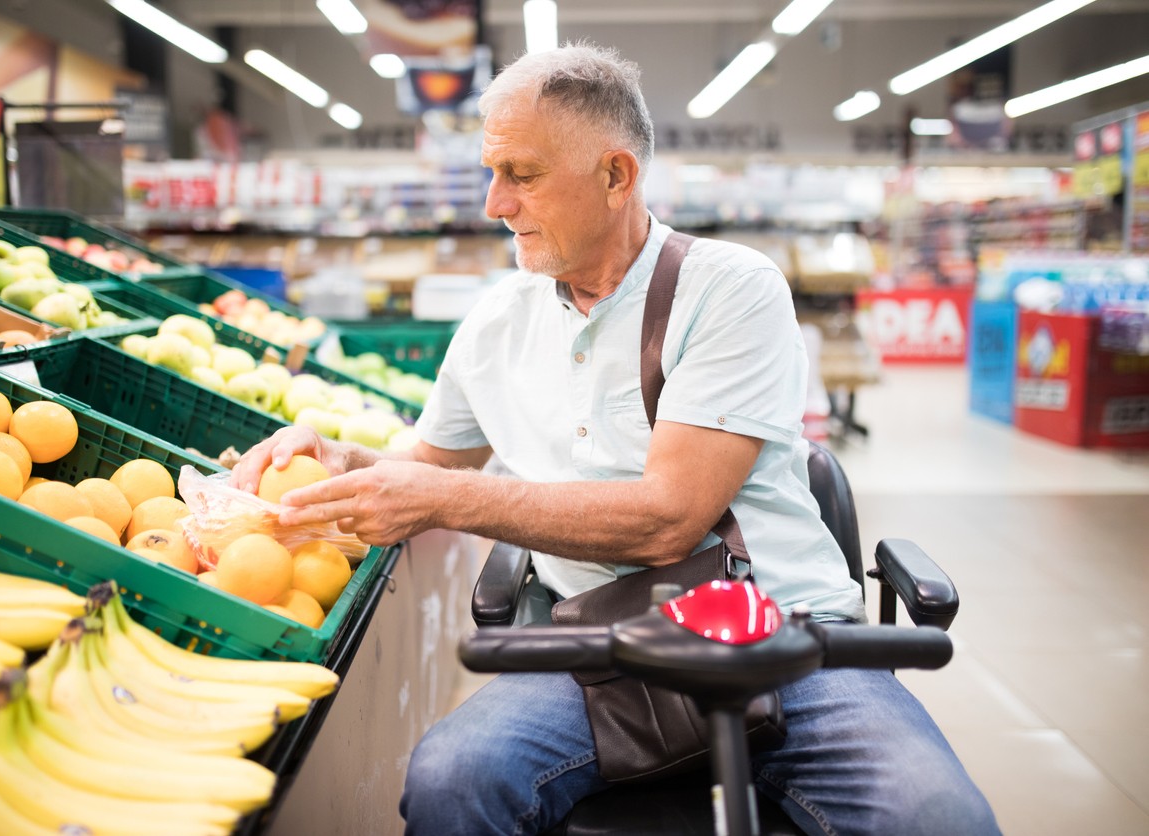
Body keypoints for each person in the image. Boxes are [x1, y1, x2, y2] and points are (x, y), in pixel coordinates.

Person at [231, 42, 1000, 836]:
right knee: (451, 780)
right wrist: (338, 460)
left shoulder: (729, 289)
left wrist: (448, 499)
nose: (495, 204)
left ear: (616, 176)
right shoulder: (497, 322)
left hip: (786, 634)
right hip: (599, 645)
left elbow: (670, 516)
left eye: (521, 176)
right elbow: (425, 464)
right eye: (490, 174)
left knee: (938, 817)